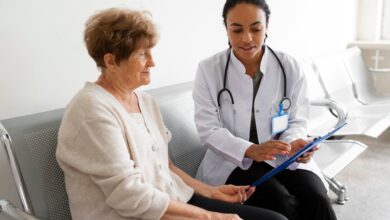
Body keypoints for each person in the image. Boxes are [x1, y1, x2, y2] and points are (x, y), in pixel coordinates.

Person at [56, 7, 288, 220]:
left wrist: (212, 192)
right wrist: (211, 217)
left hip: (171, 202)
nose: (152, 62)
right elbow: (130, 197)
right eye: (141, 55)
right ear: (111, 61)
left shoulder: (145, 101)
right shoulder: (92, 111)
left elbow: (163, 165)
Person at [192, 0, 337, 220]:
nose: (246, 38)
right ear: (226, 28)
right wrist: (251, 149)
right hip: (233, 159)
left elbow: (297, 120)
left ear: (267, 26)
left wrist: (293, 144)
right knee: (280, 201)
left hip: (282, 156)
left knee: (317, 197)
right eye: (237, 29)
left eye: (256, 28)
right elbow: (208, 129)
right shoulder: (209, 69)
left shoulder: (290, 67)